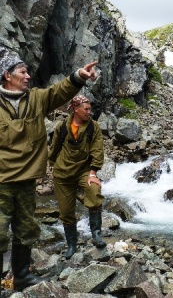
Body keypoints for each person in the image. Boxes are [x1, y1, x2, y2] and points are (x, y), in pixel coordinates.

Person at [0, 48, 98, 293]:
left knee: (27, 229)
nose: (28, 76)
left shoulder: (36, 99)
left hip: (26, 181)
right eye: (22, 72)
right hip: (0, 181)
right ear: (6, 75)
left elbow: (60, 91)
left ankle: (21, 276)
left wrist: (79, 76)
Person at [48, 95, 106, 260]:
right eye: (86, 109)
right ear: (76, 109)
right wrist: (53, 166)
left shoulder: (93, 127)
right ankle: (72, 245)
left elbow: (97, 150)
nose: (89, 112)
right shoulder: (62, 127)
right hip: (63, 174)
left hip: (83, 171)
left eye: (90, 109)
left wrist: (93, 172)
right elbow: (54, 148)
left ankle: (96, 234)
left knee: (94, 192)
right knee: (66, 212)